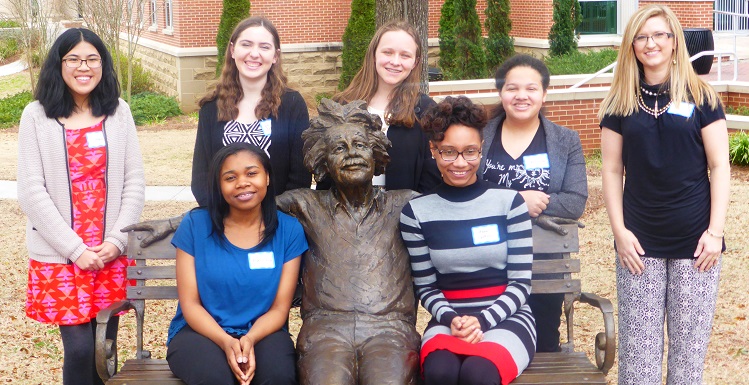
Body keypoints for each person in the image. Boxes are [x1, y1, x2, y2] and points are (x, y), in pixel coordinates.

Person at [598, 5, 729, 384]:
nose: (650, 43)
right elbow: (610, 170)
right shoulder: (619, 101)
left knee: (688, 360)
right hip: (638, 244)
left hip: (697, 245)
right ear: (632, 45)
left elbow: (719, 166)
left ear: (674, 42)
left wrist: (716, 234)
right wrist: (619, 233)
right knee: (638, 360)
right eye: (641, 36)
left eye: (660, 35)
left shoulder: (701, 96)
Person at [17, 28, 145, 385]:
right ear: (58, 65)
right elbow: (31, 190)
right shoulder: (36, 116)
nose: (83, 67)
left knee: (104, 349)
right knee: (78, 350)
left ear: (102, 64)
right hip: (62, 256)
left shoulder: (119, 112)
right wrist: (75, 250)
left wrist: (116, 241)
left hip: (110, 253)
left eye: (92, 58)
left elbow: (134, 181)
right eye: (73, 58)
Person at [276, 99, 420, 385]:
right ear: (324, 163)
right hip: (325, 329)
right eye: (339, 148)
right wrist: (168, 224)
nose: (352, 154)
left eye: (361, 145)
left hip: (390, 328)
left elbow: (463, 211)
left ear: (376, 155)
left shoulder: (406, 204)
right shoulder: (305, 205)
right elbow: (235, 213)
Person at [401, 96, 536, 385]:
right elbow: (426, 286)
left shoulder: (509, 203)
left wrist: (482, 321)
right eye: (448, 152)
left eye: (470, 152)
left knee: (478, 374)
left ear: (481, 149)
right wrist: (453, 320)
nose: (460, 163)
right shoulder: (416, 213)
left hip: (506, 317)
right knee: (439, 373)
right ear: (433, 151)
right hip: (448, 319)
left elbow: (521, 283)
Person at [166, 142, 307, 385]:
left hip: (264, 332)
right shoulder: (195, 225)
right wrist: (226, 341)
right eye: (230, 177)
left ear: (267, 178)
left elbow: (279, 310)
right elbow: (190, 304)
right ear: (219, 186)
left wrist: (249, 340)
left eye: (252, 173)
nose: (242, 182)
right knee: (215, 378)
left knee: (278, 376)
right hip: (201, 332)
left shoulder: (289, 230)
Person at [479, 54, 588, 353]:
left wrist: (501, 202)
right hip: (484, 261)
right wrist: (517, 201)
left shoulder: (566, 141)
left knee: (543, 346)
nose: (521, 96)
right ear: (501, 93)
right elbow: (465, 192)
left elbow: (574, 202)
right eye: (512, 88)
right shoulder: (480, 135)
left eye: (531, 88)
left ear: (544, 93)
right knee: (488, 346)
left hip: (542, 265)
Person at [192, 16, 311, 206]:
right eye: (246, 44)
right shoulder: (210, 109)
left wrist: (272, 220)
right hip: (223, 223)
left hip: (279, 220)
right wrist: (225, 222)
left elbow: (300, 177)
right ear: (232, 50)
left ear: (275, 56)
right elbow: (200, 179)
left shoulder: (292, 105)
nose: (254, 54)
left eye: (264, 47)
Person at [332, 20, 440, 193]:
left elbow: (431, 177)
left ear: (415, 62)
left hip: (404, 214)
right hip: (347, 214)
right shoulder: (342, 105)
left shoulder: (426, 111)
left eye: (405, 55)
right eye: (388, 52)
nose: (395, 61)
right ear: (374, 54)